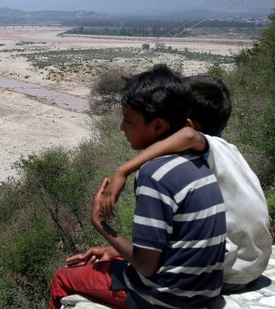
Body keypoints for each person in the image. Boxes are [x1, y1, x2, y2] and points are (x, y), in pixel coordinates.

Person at [49, 64, 227, 309]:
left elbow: (146, 265)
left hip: (166, 298)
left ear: (157, 126)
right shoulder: (199, 160)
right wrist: (115, 252)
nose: (122, 127)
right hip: (204, 293)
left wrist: (100, 225)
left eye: (128, 120)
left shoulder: (154, 174)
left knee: (62, 279)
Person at [100, 74, 272, 294]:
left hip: (227, 272)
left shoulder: (208, 147)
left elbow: (189, 136)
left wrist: (123, 170)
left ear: (188, 124)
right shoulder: (230, 151)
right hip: (250, 267)